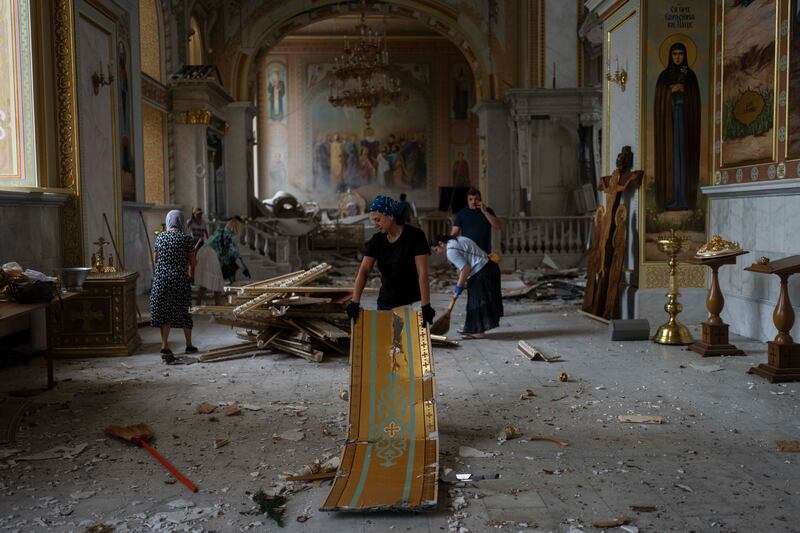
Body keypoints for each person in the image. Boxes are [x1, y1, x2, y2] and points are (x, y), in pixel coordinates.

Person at [347, 195, 435, 325]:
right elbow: (364, 271)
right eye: (373, 221)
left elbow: (422, 272)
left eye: (378, 220)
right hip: (385, 302)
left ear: (390, 216)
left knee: (409, 343)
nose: (375, 225)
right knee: (386, 343)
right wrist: (354, 302)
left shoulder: (415, 236)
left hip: (412, 303)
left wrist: (425, 305)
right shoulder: (377, 240)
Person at [654, 41, 700, 211]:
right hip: (669, 123)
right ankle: (672, 197)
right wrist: (670, 91)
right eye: (675, 54)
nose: (678, 57)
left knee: (684, 157)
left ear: (685, 55)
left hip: (686, 120)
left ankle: (685, 198)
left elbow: (695, 100)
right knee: (672, 157)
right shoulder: (664, 76)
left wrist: (685, 90)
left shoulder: (690, 75)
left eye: (681, 53)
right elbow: (659, 100)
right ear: (670, 56)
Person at [431, 234, 503, 339]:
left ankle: (478, 331)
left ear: (441, 244)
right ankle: (472, 327)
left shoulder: (450, 251)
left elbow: (465, 269)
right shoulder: (459, 239)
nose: (438, 253)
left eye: (436, 250)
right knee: (477, 300)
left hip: (482, 271)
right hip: (490, 267)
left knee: (476, 301)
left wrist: (458, 287)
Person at [150, 210, 197, 362]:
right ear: (181, 221)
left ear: (169, 221)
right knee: (185, 311)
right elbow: (193, 262)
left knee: (165, 312)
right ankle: (189, 344)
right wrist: (191, 273)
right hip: (179, 281)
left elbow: (155, 259)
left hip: (161, 281)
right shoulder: (186, 239)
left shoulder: (160, 237)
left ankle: (164, 346)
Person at [451, 188, 502, 253]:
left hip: (485, 252)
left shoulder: (488, 211)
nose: (473, 202)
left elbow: (498, 226)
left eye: (476, 199)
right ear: (467, 200)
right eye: (470, 199)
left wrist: (485, 212)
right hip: (468, 252)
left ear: (480, 200)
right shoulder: (461, 213)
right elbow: (454, 233)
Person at [208, 218, 250, 283]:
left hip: (213, 260)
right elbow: (236, 255)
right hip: (224, 265)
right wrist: (244, 268)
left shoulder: (219, 232)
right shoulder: (230, 237)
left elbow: (211, 244)